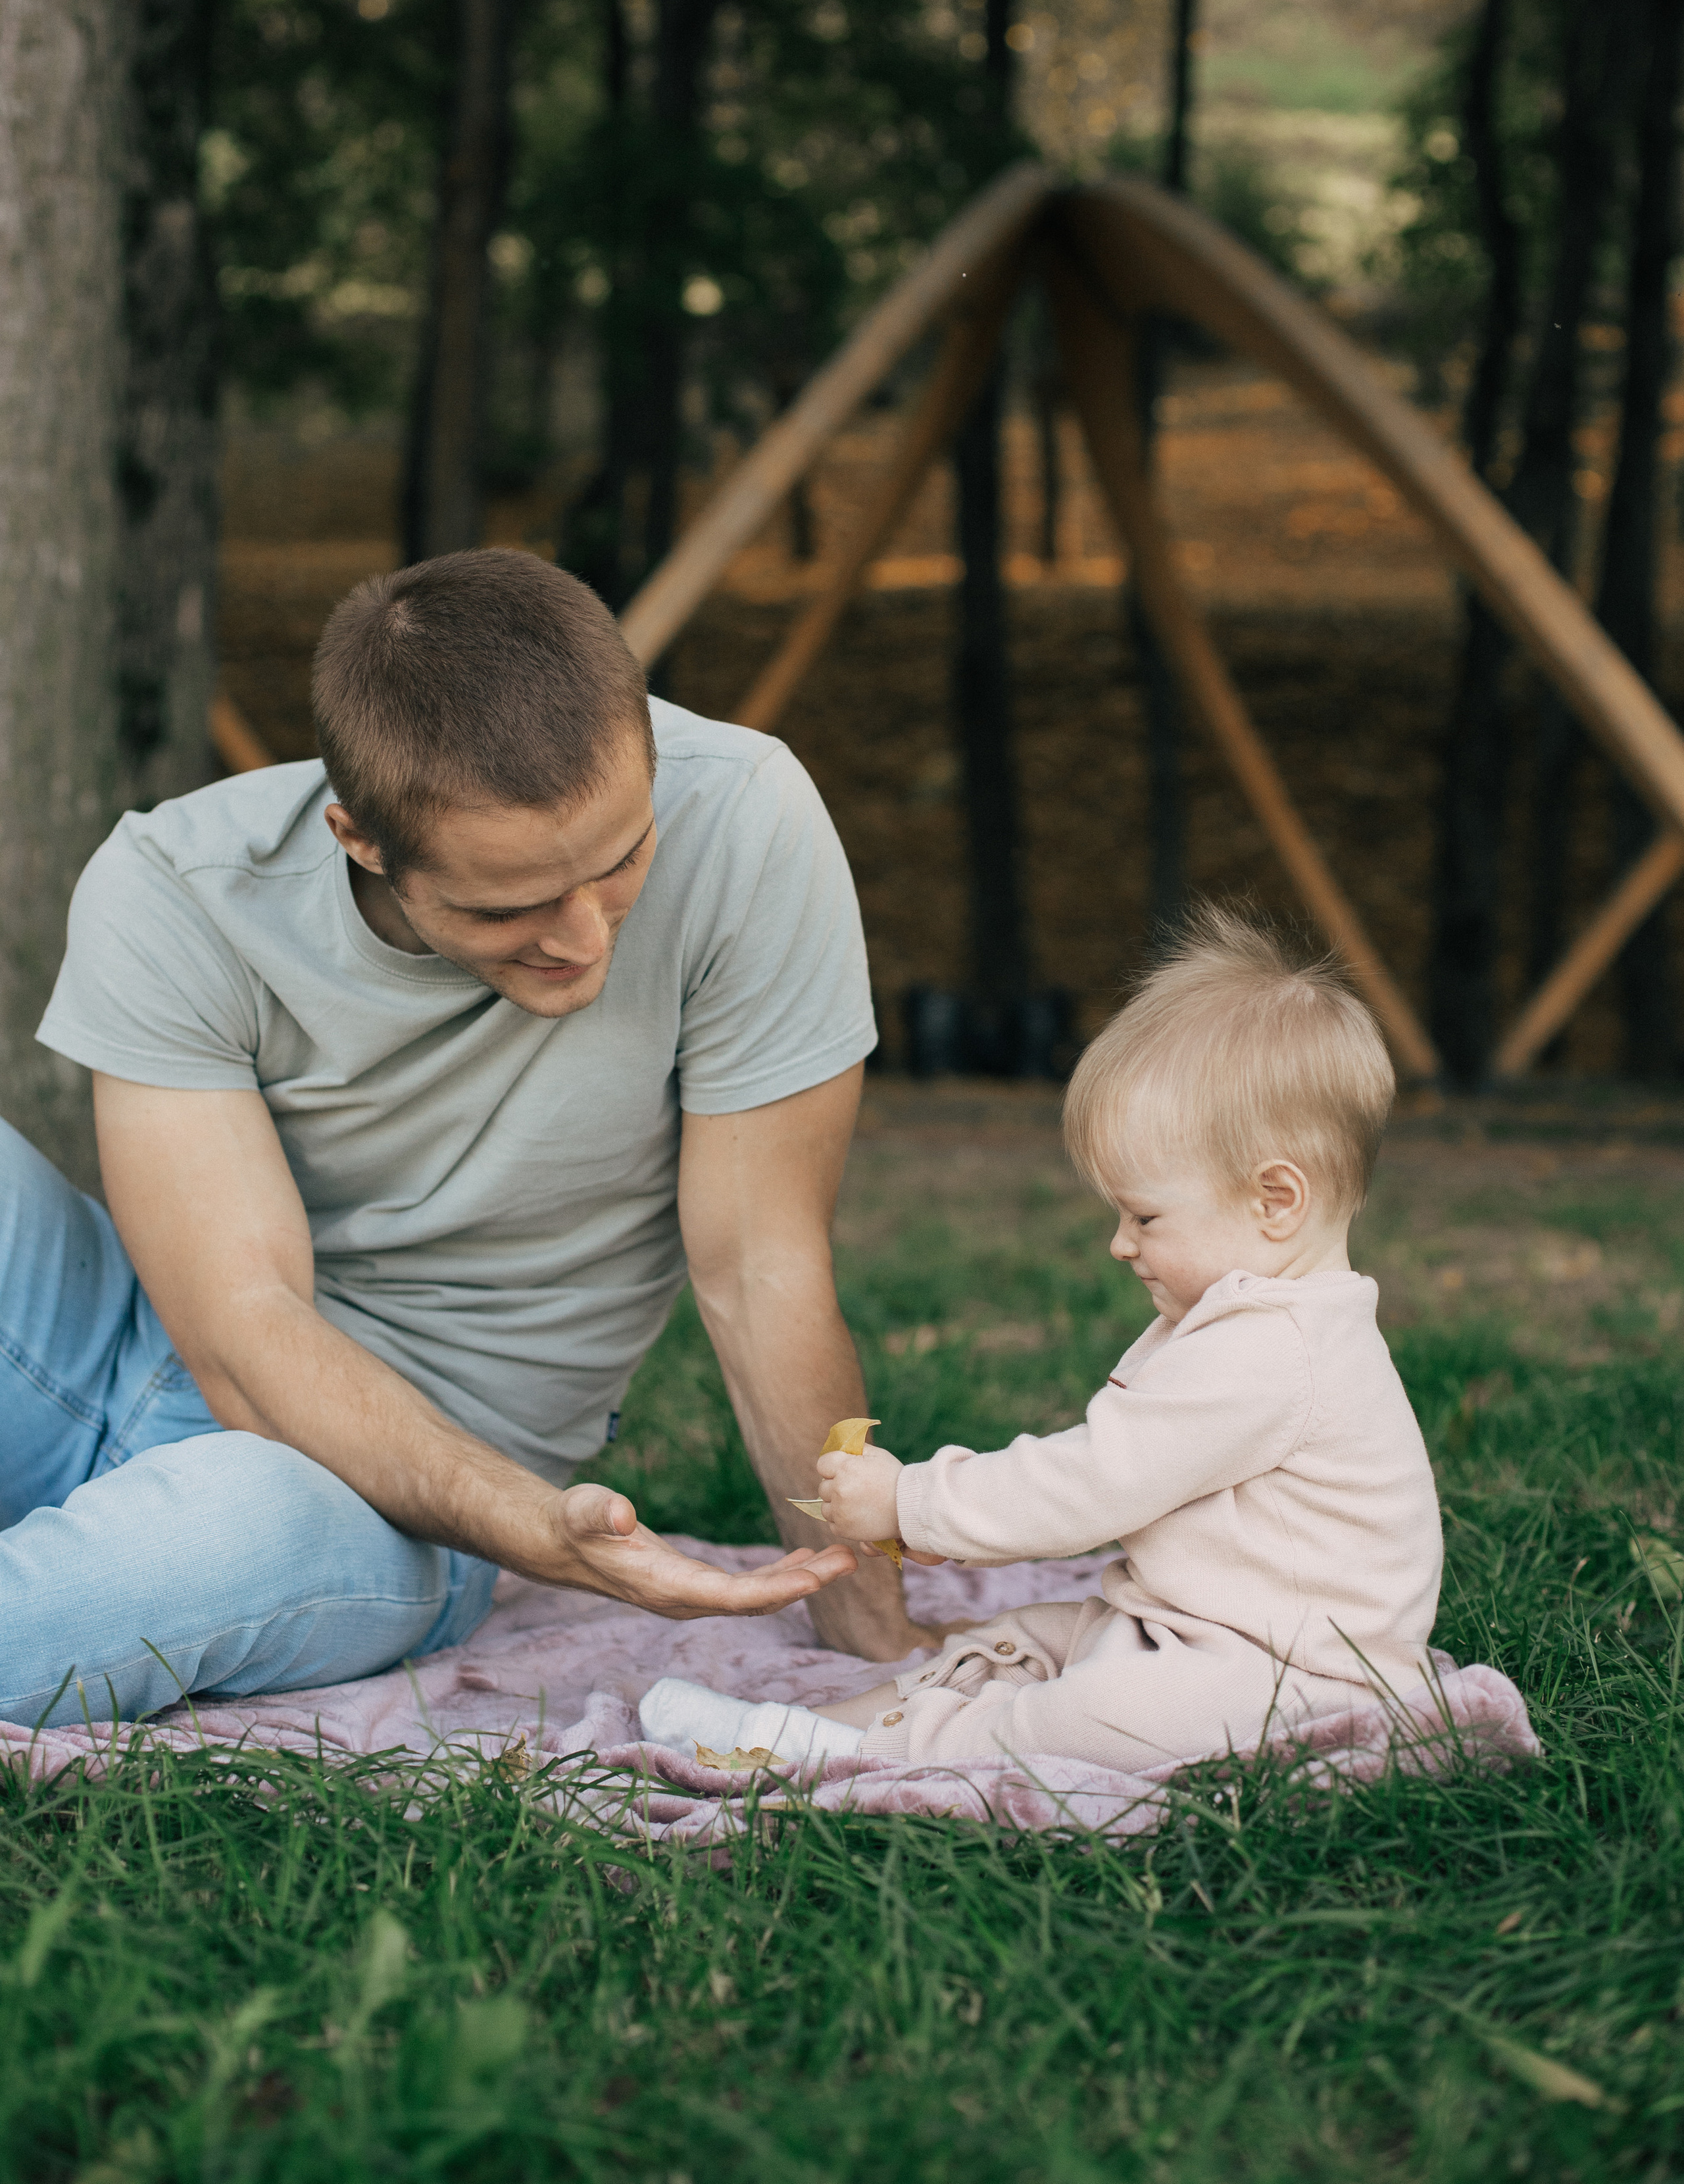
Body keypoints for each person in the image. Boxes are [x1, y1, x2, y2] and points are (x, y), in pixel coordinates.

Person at [0, 548, 947, 1732]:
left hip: (398, 1504)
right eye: (506, 909)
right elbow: (244, 1330)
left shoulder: (745, 820)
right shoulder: (175, 885)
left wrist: (875, 1635)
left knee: (209, 1529)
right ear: (362, 840)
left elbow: (763, 1272)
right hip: (123, 1351)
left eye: (622, 864)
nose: (585, 939)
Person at [639, 906, 1444, 1772]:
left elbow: (1093, 1482)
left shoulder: (1275, 1351)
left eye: (1145, 1215)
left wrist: (912, 1504)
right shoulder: (1249, 1318)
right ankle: (830, 1722)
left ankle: (862, 1755)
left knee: (1101, 1713)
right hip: (1194, 1628)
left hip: (1299, 1673)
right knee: (1027, 1638)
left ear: (1275, 1201)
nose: (1120, 1244)